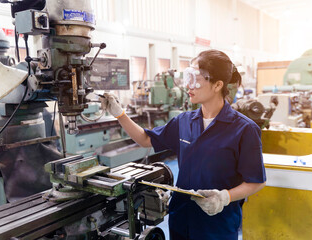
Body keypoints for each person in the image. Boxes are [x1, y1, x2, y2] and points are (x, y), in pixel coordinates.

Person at [100, 49, 266, 240]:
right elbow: (146, 140)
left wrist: (224, 197)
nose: (189, 85)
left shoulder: (244, 129)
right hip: (181, 220)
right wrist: (120, 114)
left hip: (216, 225)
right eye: (188, 76)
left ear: (217, 85)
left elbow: (256, 181)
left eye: (195, 78)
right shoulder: (184, 121)